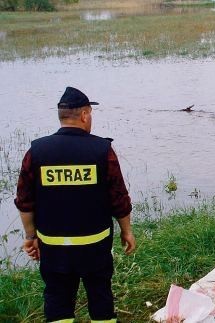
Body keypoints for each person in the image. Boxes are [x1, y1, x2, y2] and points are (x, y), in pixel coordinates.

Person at [14, 87, 136, 322]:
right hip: (95, 246)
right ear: (84, 115)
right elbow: (118, 197)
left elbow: (24, 200)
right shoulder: (102, 150)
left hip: (53, 247)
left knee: (58, 300)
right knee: (100, 296)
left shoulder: (37, 151)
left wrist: (31, 236)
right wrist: (127, 231)